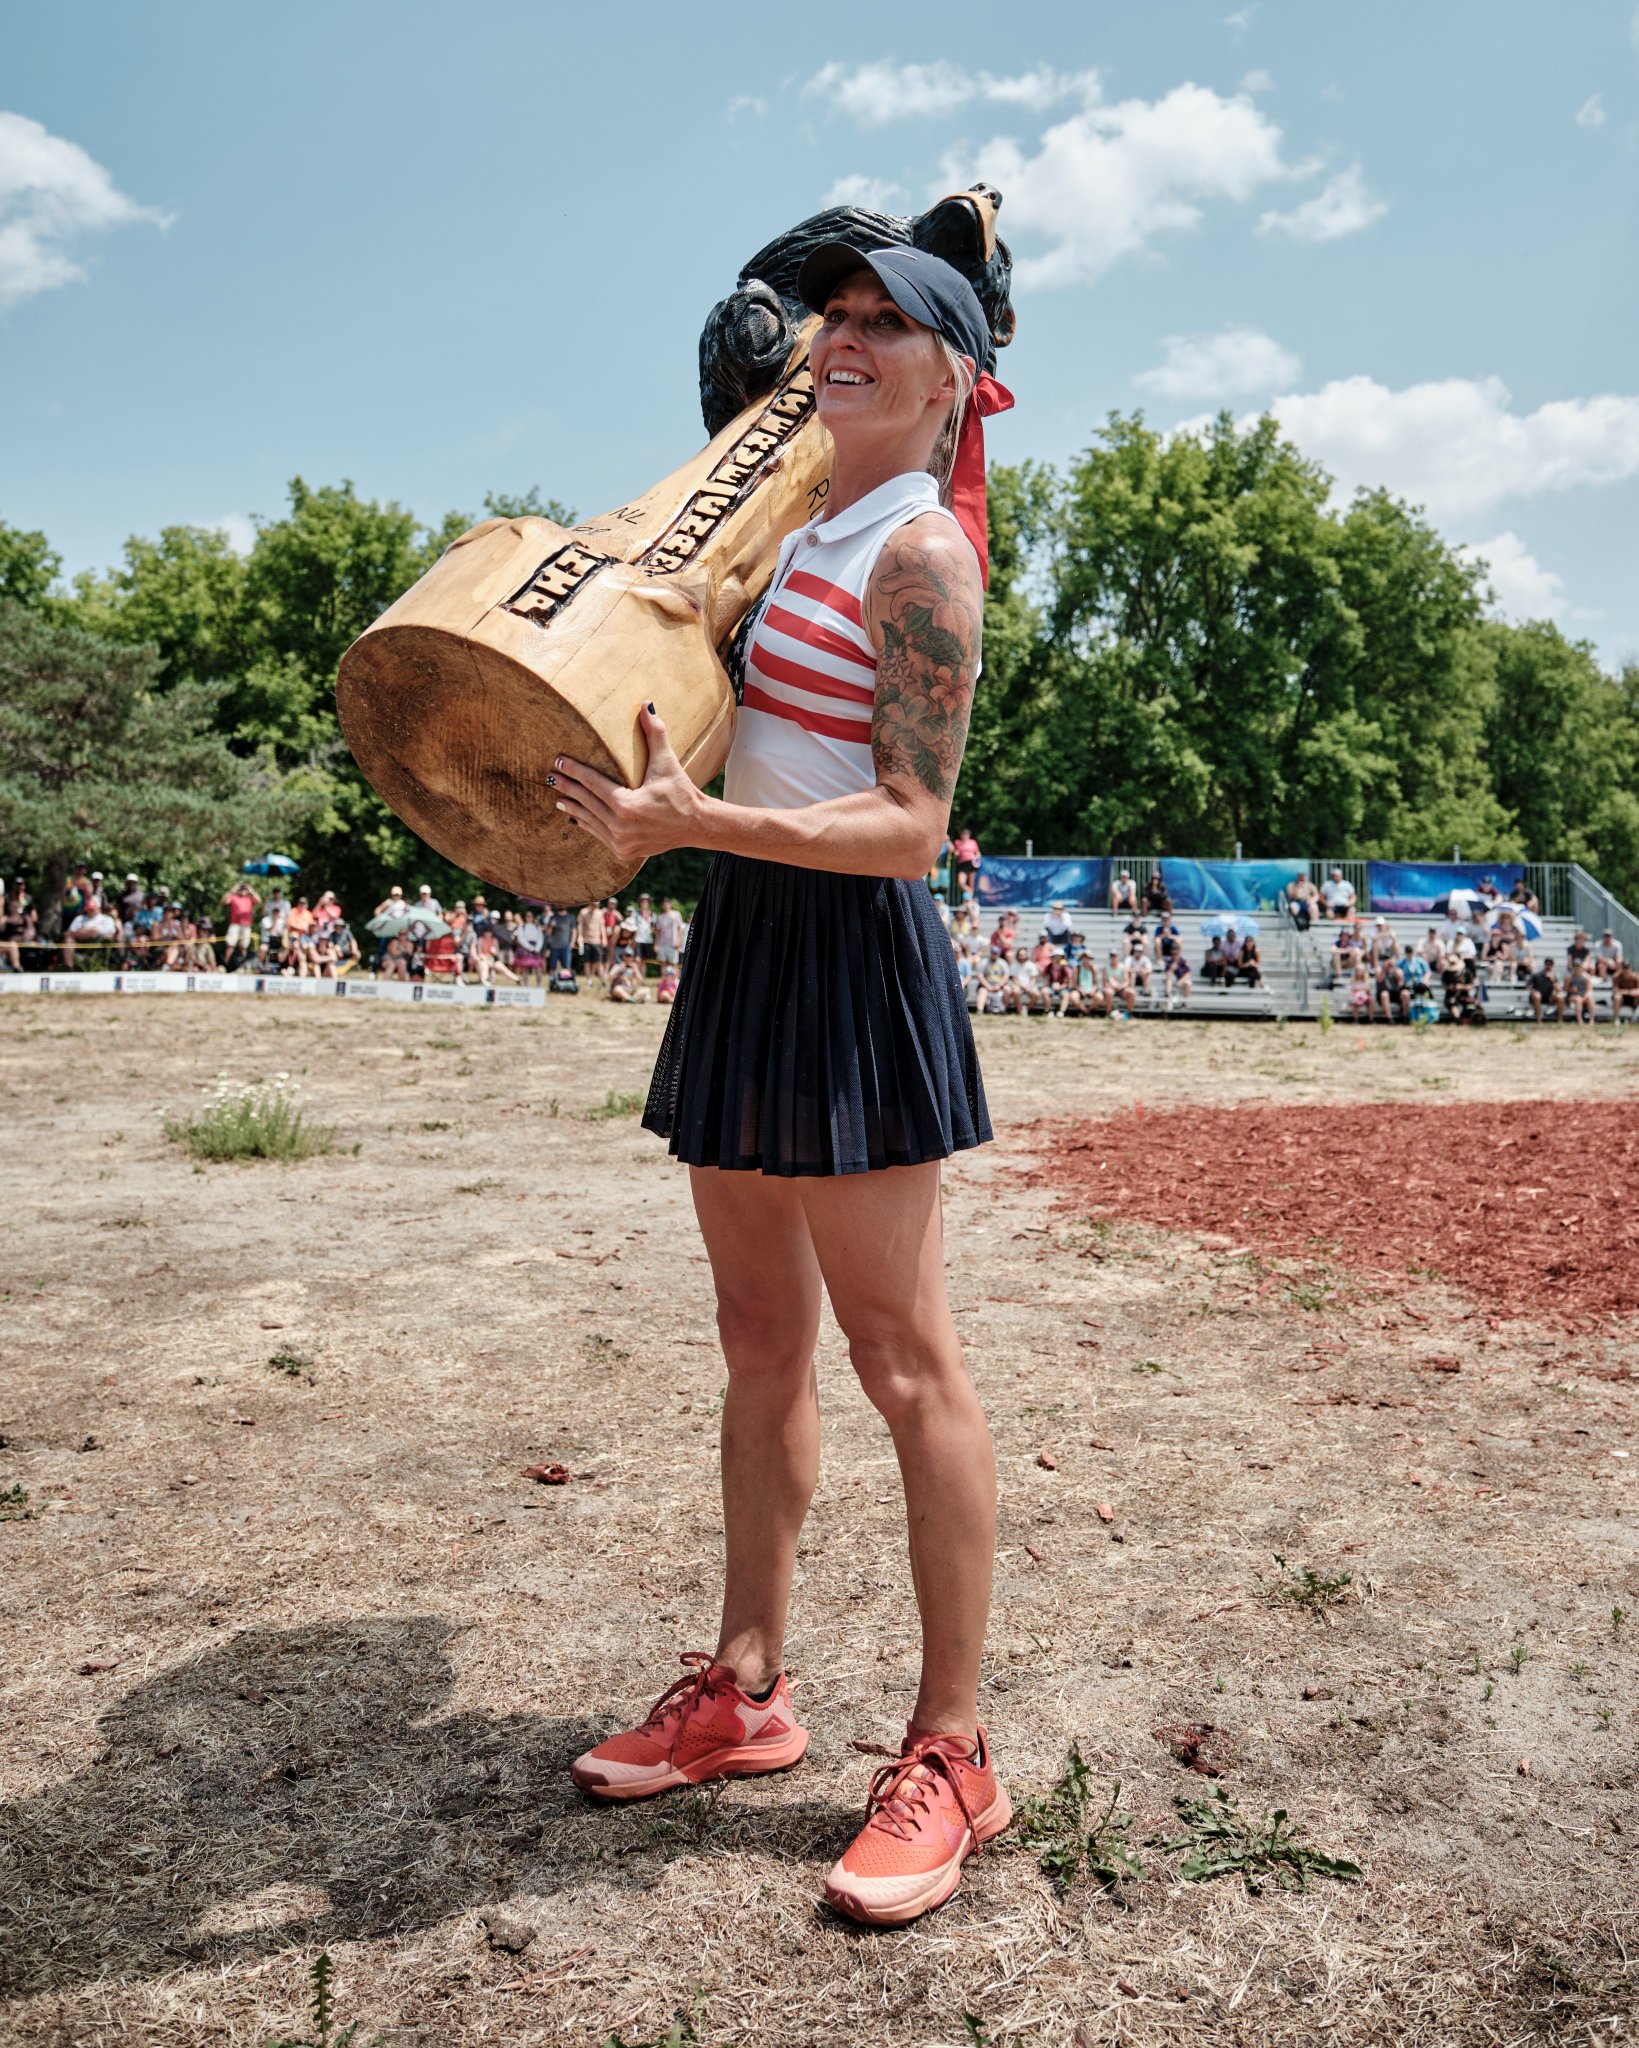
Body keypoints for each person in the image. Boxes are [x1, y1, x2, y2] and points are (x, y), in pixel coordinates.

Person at [550, 242, 1009, 1924]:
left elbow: (904, 825)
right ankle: (745, 1685)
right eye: (838, 314)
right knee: (759, 1346)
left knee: (901, 1360)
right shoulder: (793, 525)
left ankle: (951, 1748)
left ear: (956, 376)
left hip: (849, 952)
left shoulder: (918, 553)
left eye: (892, 322)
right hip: (746, 938)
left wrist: (696, 827)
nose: (847, 338)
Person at [220, 879, 261, 967]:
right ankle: (226, 963)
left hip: (246, 925)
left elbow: (259, 900)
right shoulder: (233, 897)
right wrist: (232, 890)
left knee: (244, 945)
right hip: (235, 924)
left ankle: (243, 965)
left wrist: (251, 890)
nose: (243, 890)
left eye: (244, 889)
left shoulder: (249, 898)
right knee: (230, 944)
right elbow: (223, 901)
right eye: (241, 889)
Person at [576, 898, 606, 983]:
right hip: (586, 941)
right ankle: (588, 980)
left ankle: (600, 979)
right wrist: (580, 937)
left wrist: (604, 938)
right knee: (587, 962)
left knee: (598, 962)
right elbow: (580, 925)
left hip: (597, 941)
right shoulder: (583, 912)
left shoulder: (600, 913)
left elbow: (602, 926)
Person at [950, 826, 981, 903]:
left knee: (971, 883)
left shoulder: (973, 842)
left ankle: (970, 900)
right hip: (963, 863)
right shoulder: (958, 842)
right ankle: (970, 893)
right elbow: (955, 852)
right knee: (961, 882)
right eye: (963, 834)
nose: (964, 836)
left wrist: (977, 859)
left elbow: (977, 853)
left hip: (972, 863)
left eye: (966, 834)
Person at [655, 895, 685, 970]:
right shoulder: (660, 917)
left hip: (673, 943)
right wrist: (656, 944)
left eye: (667, 903)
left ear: (670, 904)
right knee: (662, 963)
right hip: (662, 944)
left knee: (674, 963)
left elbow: (680, 929)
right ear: (662, 906)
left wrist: (679, 941)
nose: (666, 905)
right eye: (664, 904)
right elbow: (658, 932)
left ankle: (675, 981)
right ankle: (664, 981)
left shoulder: (676, 914)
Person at [1528, 958, 1562, 1024]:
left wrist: (1553, 981)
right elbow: (1528, 985)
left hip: (1548, 998)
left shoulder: (1554, 977)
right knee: (1537, 996)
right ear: (1544, 965)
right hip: (1536, 997)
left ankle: (1559, 1019)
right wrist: (1533, 991)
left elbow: (1559, 990)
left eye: (1550, 965)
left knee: (1560, 998)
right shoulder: (1536, 975)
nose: (1548, 966)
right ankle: (1538, 1020)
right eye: (1547, 964)